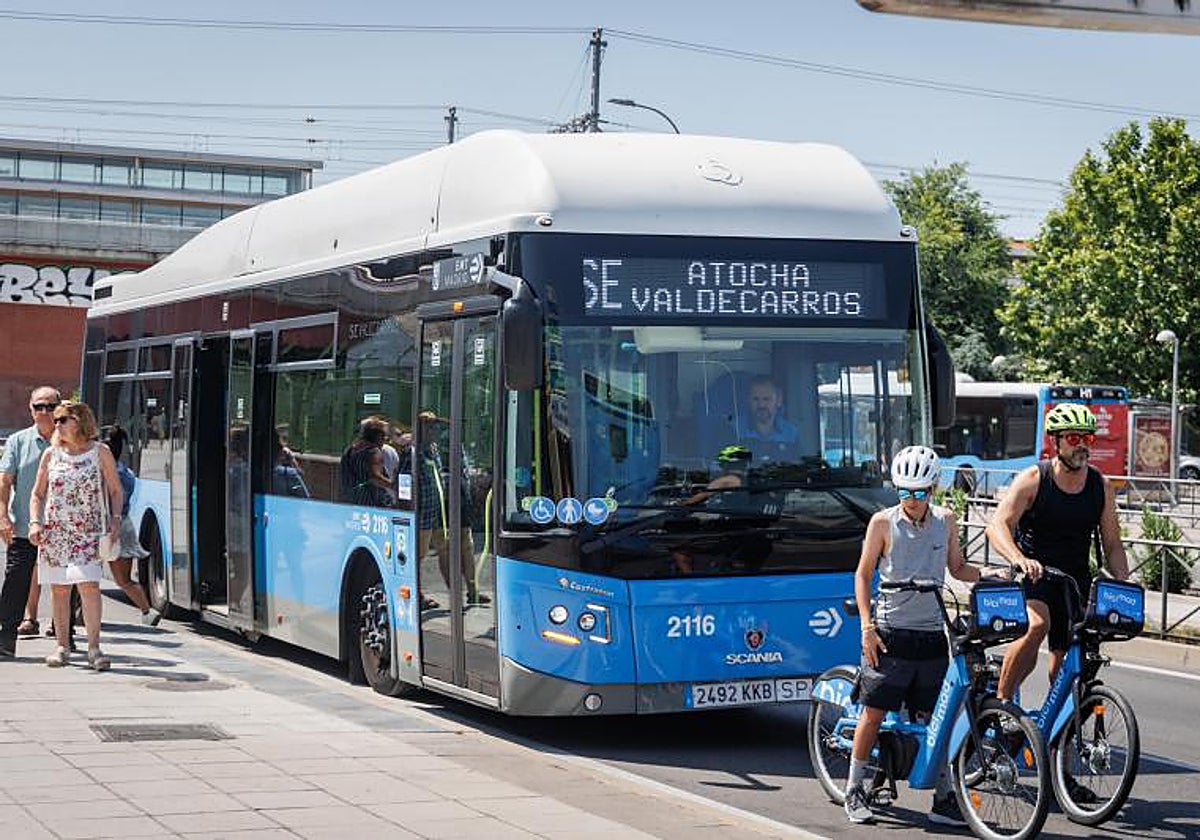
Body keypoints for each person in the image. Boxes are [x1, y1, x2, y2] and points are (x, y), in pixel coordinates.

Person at [844, 445, 1004, 826]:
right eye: (904, 492)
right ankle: (854, 788)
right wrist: (867, 628)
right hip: (891, 632)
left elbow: (958, 567)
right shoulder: (882, 523)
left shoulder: (946, 521)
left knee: (937, 718)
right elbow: (863, 575)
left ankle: (944, 796)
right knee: (874, 713)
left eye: (919, 493)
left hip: (933, 632)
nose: (912, 501)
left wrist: (990, 576)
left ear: (933, 488)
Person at [988, 403, 1130, 711]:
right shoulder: (1034, 479)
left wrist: (1124, 584)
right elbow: (997, 526)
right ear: (1056, 440)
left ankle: (1059, 733)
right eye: (1074, 438)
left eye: (1088, 439)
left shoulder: (1100, 487)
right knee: (1037, 624)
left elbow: (1113, 544)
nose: (1082, 446)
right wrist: (1018, 559)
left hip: (1075, 582)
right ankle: (1002, 705)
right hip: (1036, 575)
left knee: (1067, 668)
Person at [28, 401, 122, 671]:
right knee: (59, 590)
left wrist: (115, 520)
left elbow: (115, 490)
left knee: (89, 586)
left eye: (62, 419)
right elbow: (37, 493)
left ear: (79, 421)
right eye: (55, 420)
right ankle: (62, 647)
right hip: (56, 531)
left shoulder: (99, 452)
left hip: (88, 531)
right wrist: (35, 522)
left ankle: (94, 648)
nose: (55, 424)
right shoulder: (52, 454)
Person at [0, 386, 60, 658]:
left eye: (49, 406)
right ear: (30, 409)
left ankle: (64, 636)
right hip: (24, 527)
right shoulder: (18, 441)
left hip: (63, 531)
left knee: (65, 584)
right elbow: (4, 483)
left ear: (59, 408)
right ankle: (6, 638)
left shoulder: (70, 440)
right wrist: (2, 517)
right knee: (15, 581)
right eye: (39, 406)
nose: (44, 412)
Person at [413, 411, 489, 607]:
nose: (434, 430)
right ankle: (454, 592)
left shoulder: (437, 448)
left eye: (435, 426)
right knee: (441, 549)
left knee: (466, 544)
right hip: (439, 506)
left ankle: (472, 591)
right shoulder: (419, 451)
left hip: (458, 500)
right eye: (430, 427)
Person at [102, 427, 162, 625]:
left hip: (104, 527)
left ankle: (78, 616)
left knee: (86, 576)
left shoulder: (106, 473)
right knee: (124, 580)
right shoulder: (126, 472)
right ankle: (147, 611)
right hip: (124, 526)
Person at [738, 375, 799, 462]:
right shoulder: (734, 430)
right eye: (755, 399)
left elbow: (799, 468)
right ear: (748, 400)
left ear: (779, 400)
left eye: (766, 399)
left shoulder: (790, 433)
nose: (761, 405)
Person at [340, 417, 394, 507]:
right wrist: (394, 486)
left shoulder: (350, 449)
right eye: (384, 436)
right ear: (378, 436)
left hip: (349, 500)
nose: (385, 440)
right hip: (368, 503)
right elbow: (375, 477)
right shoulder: (373, 451)